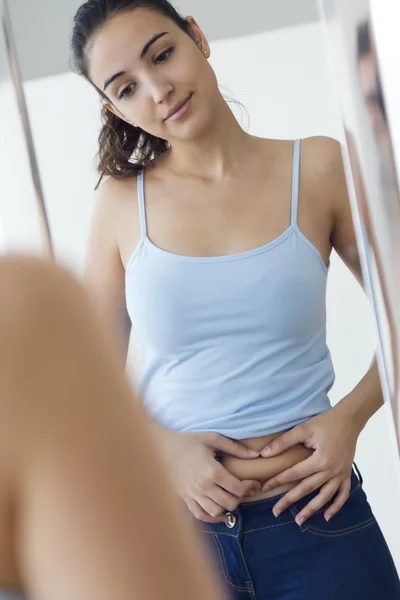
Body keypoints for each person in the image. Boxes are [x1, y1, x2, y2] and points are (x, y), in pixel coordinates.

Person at [71, 1, 400, 598]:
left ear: (196, 36)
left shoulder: (318, 165)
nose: (159, 89)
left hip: (319, 520)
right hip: (175, 535)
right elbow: (85, 381)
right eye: (127, 87)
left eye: (162, 53)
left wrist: (350, 418)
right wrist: (161, 448)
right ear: (113, 107)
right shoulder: (120, 204)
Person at [0, 256, 226, 600]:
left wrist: (342, 422)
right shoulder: (24, 309)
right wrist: (164, 446)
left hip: (306, 505)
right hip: (197, 511)